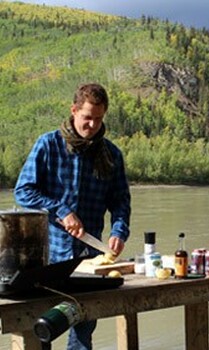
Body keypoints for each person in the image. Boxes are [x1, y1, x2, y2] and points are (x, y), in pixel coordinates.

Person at [14, 83, 131, 350]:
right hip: (47, 258)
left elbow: (121, 201)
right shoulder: (48, 145)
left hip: (89, 261)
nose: (92, 124)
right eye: (87, 117)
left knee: (82, 331)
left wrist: (118, 231)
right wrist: (61, 210)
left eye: (98, 118)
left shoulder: (111, 155)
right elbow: (23, 191)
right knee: (42, 330)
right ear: (74, 110)